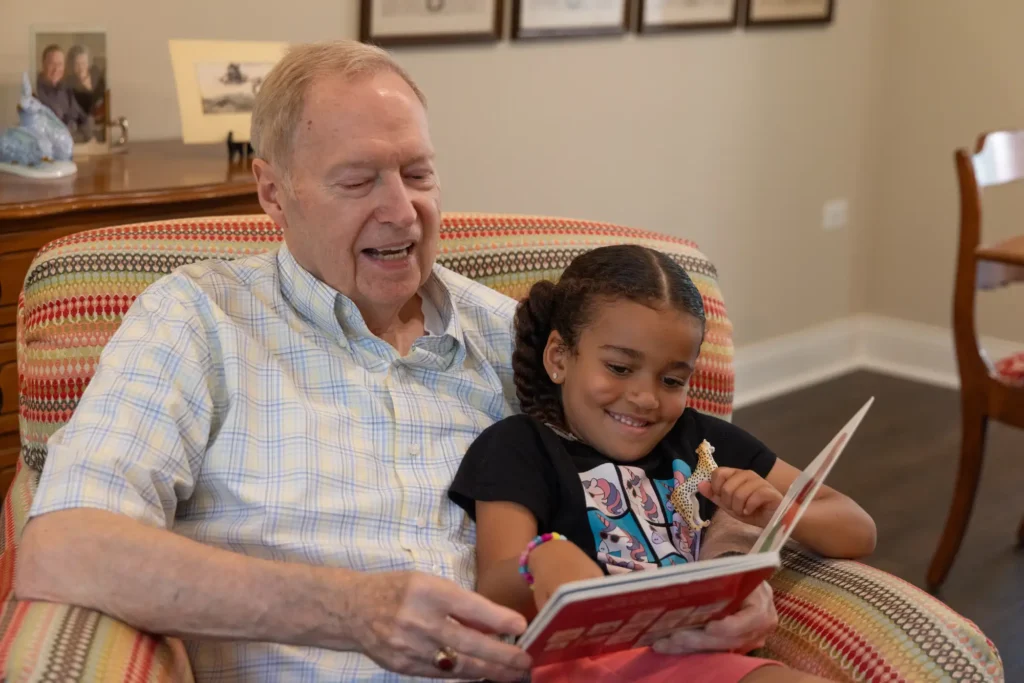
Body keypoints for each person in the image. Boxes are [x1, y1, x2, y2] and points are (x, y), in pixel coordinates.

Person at [14, 41, 780, 682]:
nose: (402, 209)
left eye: (417, 173)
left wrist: (725, 580)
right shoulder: (196, 319)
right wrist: (349, 610)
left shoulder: (519, 336)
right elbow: (64, 547)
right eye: (357, 180)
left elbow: (655, 483)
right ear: (273, 193)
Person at [450, 245, 878, 682]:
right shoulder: (520, 446)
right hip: (578, 667)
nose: (646, 398)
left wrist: (779, 513)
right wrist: (541, 559)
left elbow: (857, 530)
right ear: (560, 357)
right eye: (619, 367)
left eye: (672, 380)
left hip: (696, 660)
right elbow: (494, 592)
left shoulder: (702, 444)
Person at [35, 44, 93, 141]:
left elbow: (85, 119)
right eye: (51, 64)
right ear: (43, 64)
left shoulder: (67, 88)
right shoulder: (35, 92)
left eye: (60, 64)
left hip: (76, 147)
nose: (56, 69)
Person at [64, 45, 105, 122]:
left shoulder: (96, 73)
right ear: (72, 65)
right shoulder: (69, 83)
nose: (81, 67)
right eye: (77, 64)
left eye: (83, 63)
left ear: (88, 62)